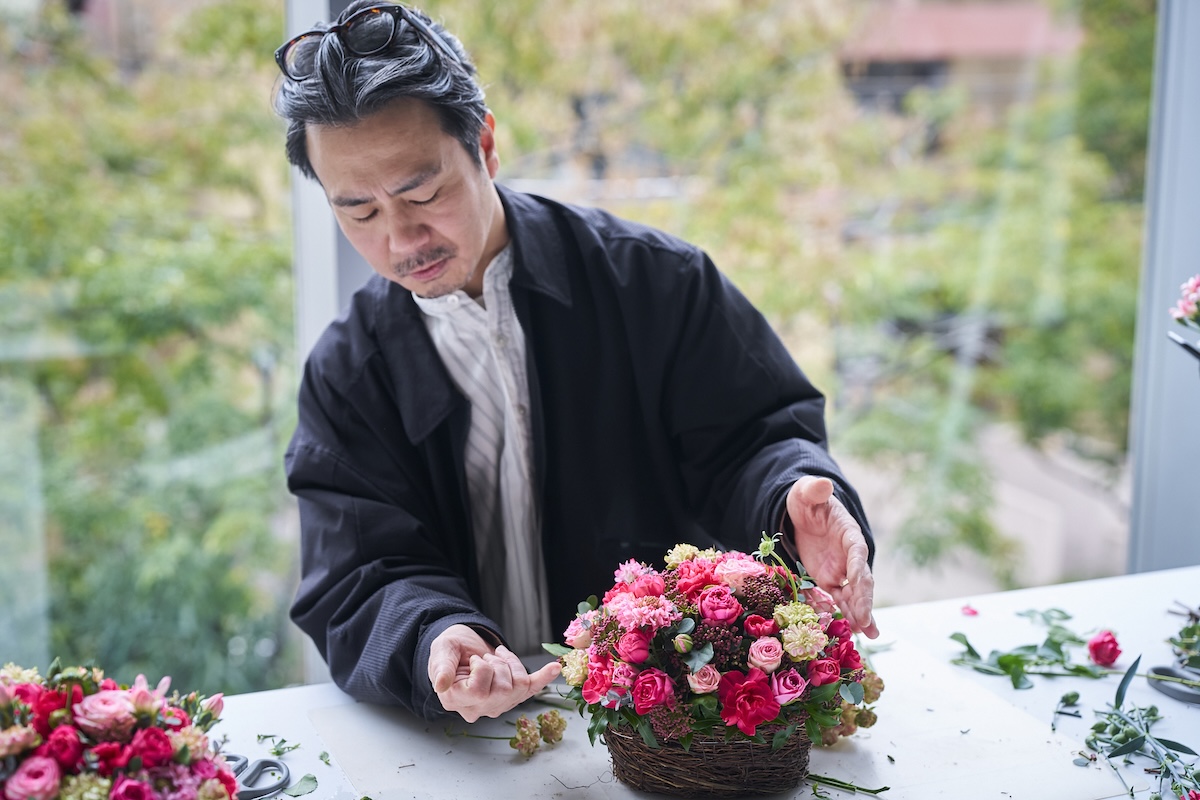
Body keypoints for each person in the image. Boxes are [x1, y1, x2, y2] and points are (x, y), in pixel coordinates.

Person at [274, 0, 878, 724]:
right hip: (473, 741)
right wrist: (433, 636)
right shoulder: (348, 371)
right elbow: (357, 573)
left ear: (485, 146)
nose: (402, 238)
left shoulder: (656, 282)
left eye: (422, 192)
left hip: (666, 718)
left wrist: (792, 499)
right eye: (359, 213)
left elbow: (755, 437)